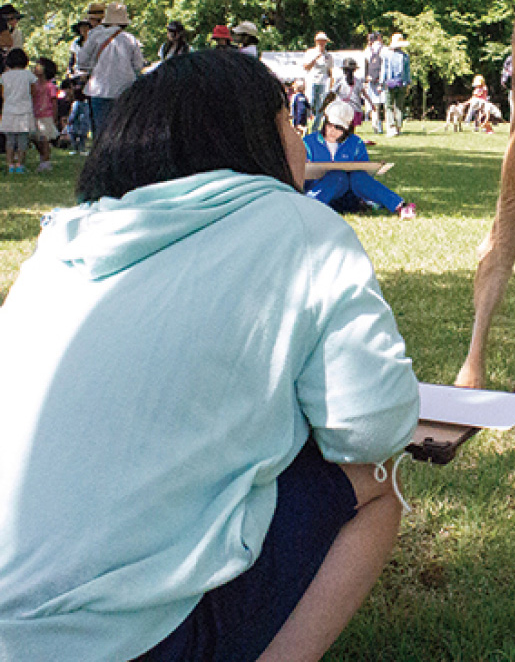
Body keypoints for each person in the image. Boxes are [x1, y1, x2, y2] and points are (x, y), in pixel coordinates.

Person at [0, 50, 419, 662]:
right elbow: (374, 428)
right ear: (259, 135)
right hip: (121, 641)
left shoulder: (61, 240)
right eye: (290, 125)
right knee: (379, 482)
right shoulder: (299, 227)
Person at [304, 100, 416, 219]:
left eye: (338, 127)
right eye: (329, 125)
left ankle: (400, 206)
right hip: (319, 190)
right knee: (336, 176)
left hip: (350, 194)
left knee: (357, 177)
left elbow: (364, 172)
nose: (332, 130)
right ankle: (308, 206)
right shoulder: (308, 142)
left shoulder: (355, 143)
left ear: (347, 129)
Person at [76, 2, 145, 141]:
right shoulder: (130, 39)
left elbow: (81, 61)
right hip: (125, 89)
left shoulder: (95, 36)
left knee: (101, 132)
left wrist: (92, 67)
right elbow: (138, 66)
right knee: (122, 131)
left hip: (99, 89)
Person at [0, 48, 35, 174]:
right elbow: (33, 91)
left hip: (9, 110)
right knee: (22, 141)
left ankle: (10, 164)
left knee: (10, 141)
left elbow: (2, 93)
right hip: (24, 110)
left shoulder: (4, 76)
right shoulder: (28, 75)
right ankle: (20, 164)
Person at [29, 57, 59, 172]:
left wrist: (55, 116)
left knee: (44, 138)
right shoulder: (34, 85)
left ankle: (46, 161)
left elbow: (54, 101)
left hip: (46, 115)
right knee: (35, 138)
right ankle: (43, 157)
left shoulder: (50, 86)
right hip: (35, 114)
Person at [380, 33, 411, 137]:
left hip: (389, 83)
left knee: (388, 106)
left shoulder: (387, 55)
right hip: (401, 83)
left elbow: (384, 70)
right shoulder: (405, 56)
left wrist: (381, 82)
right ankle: (398, 127)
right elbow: (407, 72)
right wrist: (407, 84)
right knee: (399, 106)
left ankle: (391, 127)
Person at [331, 58, 370, 129]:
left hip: (342, 109)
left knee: (342, 129)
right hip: (355, 109)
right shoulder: (358, 81)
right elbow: (364, 93)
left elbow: (332, 93)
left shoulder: (339, 80)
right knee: (351, 130)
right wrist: (371, 104)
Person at [304, 32, 334, 118]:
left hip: (323, 82)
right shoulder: (310, 52)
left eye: (324, 41)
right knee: (310, 102)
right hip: (312, 80)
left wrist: (331, 84)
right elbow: (306, 67)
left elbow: (330, 71)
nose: (322, 43)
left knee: (321, 105)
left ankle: (315, 127)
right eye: (320, 41)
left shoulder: (328, 56)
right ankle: (304, 124)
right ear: (316, 41)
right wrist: (315, 59)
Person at [364, 32, 385, 134]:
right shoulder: (383, 49)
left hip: (370, 79)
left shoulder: (368, 50)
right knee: (379, 104)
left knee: (372, 104)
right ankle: (379, 125)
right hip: (380, 79)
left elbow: (365, 64)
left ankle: (374, 123)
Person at [66, 84, 91, 154]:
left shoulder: (76, 104)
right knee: (82, 137)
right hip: (84, 123)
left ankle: (75, 149)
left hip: (76, 124)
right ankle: (82, 148)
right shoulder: (86, 104)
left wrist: (69, 120)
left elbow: (74, 113)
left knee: (73, 136)